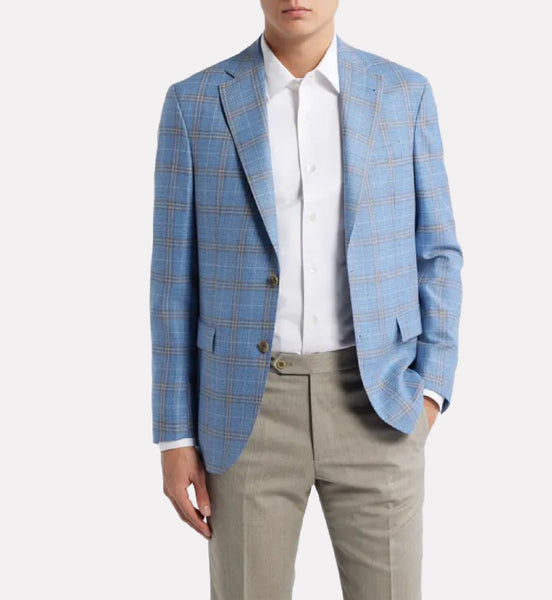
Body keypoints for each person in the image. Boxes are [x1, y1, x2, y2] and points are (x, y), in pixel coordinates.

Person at [150, 1, 463, 598]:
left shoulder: (404, 95)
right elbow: (172, 282)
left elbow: (439, 252)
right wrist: (175, 436)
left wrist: (429, 391)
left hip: (379, 402)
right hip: (244, 413)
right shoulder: (194, 104)